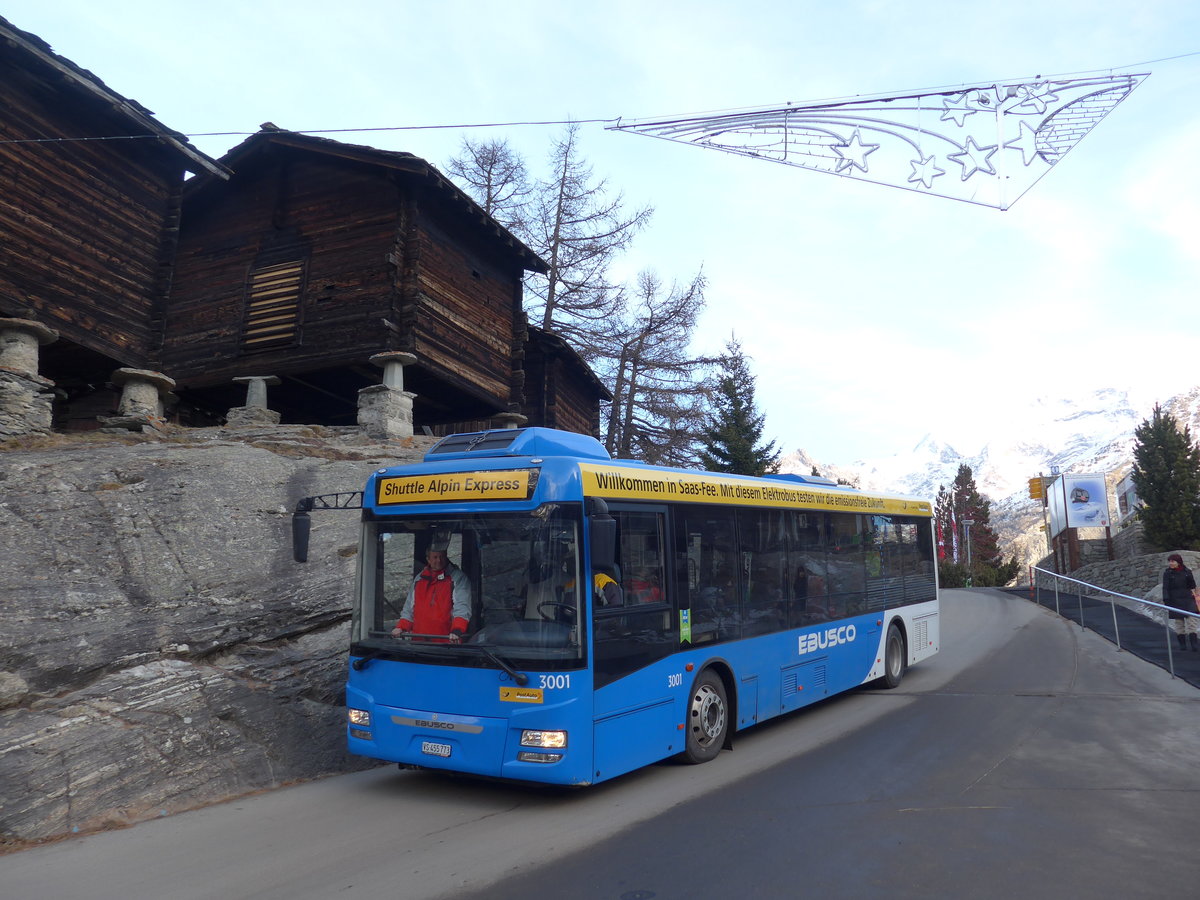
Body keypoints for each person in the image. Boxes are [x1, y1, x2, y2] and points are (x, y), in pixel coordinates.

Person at [392, 542, 471, 642]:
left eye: (442, 556)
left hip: (447, 643)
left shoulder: (457, 578)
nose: (439, 560)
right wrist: (401, 627)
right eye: (435, 557)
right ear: (428, 559)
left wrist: (457, 630)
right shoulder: (419, 579)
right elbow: (409, 609)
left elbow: (462, 607)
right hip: (418, 643)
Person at [1162, 553, 1199, 651]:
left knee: (1192, 622)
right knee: (1179, 623)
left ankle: (1194, 644)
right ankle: (1182, 645)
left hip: (1188, 599)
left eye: (1172, 561)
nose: (1171, 563)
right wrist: (1166, 600)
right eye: (1169, 561)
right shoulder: (1168, 573)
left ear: (1178, 562)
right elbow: (1165, 588)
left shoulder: (1187, 571)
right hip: (1175, 600)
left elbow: (1192, 585)